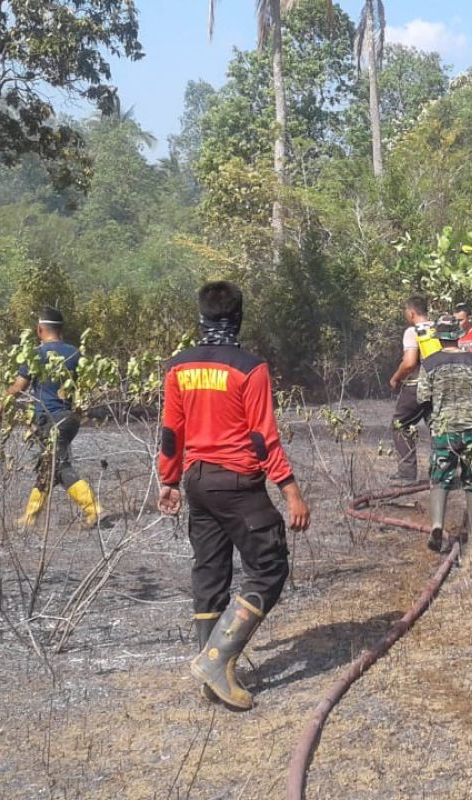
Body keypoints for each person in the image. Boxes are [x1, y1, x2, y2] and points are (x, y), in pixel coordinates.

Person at [157, 281, 311, 711]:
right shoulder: (249, 367)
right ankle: (217, 659)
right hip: (236, 484)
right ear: (238, 317)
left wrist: (168, 480)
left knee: (210, 573)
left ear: (201, 316)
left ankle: (212, 677)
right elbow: (263, 438)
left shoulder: (178, 367)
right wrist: (291, 491)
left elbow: (171, 434)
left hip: (197, 483)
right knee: (269, 565)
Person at [0, 306, 101, 529]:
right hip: (71, 419)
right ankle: (30, 516)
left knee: (60, 466)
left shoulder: (37, 354)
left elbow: (19, 386)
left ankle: (93, 508)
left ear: (39, 330)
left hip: (50, 420)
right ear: (61, 330)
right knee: (49, 466)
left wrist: (1, 401)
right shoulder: (75, 353)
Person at [417, 315, 472, 554]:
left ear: (439, 337)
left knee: (440, 477)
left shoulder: (429, 363)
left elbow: (423, 399)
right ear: (458, 336)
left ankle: (437, 525)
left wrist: (433, 424)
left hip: (444, 430)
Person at [388, 296, 440, 485]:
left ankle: (407, 473)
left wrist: (395, 378)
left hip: (417, 385)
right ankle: (440, 472)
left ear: (411, 313)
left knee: (400, 424)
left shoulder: (413, 331)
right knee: (435, 425)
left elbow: (410, 363)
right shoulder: (438, 328)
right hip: (438, 386)